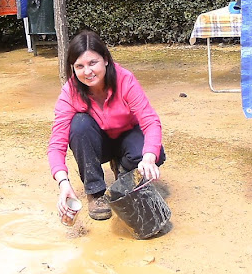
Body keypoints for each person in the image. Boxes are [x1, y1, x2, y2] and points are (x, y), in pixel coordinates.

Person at [48, 30, 166, 221]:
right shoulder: (70, 92)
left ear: (106, 60)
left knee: (152, 152)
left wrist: (149, 157)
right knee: (79, 125)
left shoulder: (124, 79)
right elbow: (56, 144)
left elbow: (150, 120)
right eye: (80, 66)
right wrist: (63, 183)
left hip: (127, 136)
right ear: (73, 68)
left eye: (92, 63)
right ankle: (95, 192)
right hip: (98, 144)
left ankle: (123, 168)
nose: (87, 72)